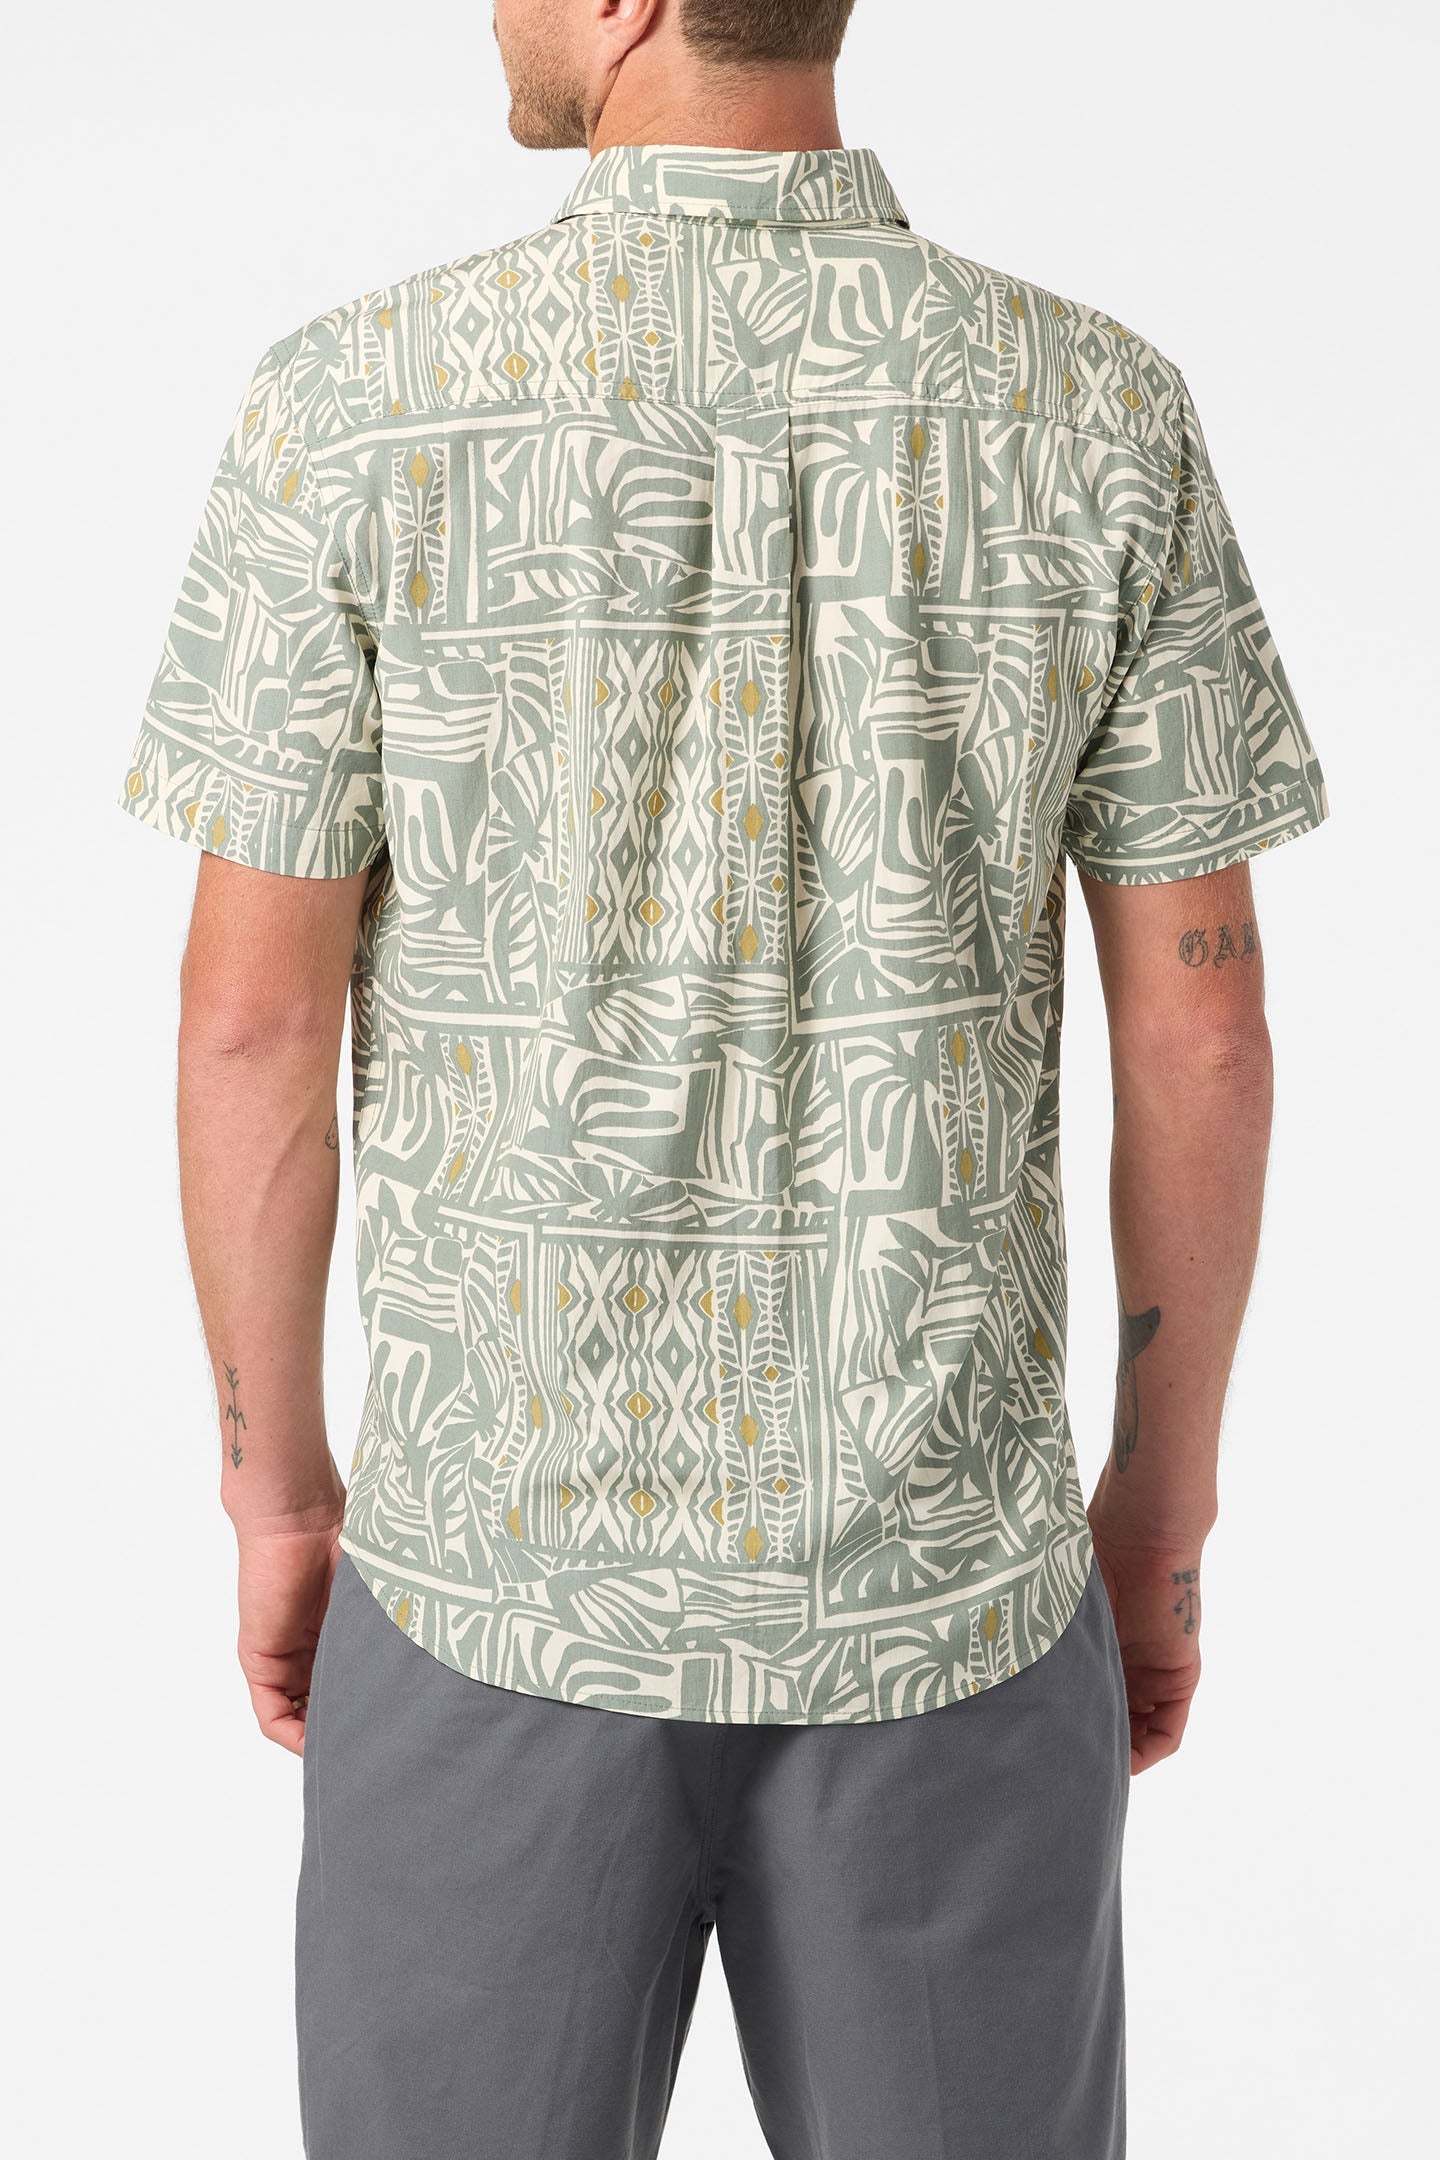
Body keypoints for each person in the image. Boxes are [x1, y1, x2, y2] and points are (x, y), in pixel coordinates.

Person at [115, 1, 1329, 2152]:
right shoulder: (1097, 410)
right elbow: (1202, 1028)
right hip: (946, 1597)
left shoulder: (353, 404)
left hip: (491, 1581)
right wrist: (1162, 1510)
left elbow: (250, 1023)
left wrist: (279, 1496)